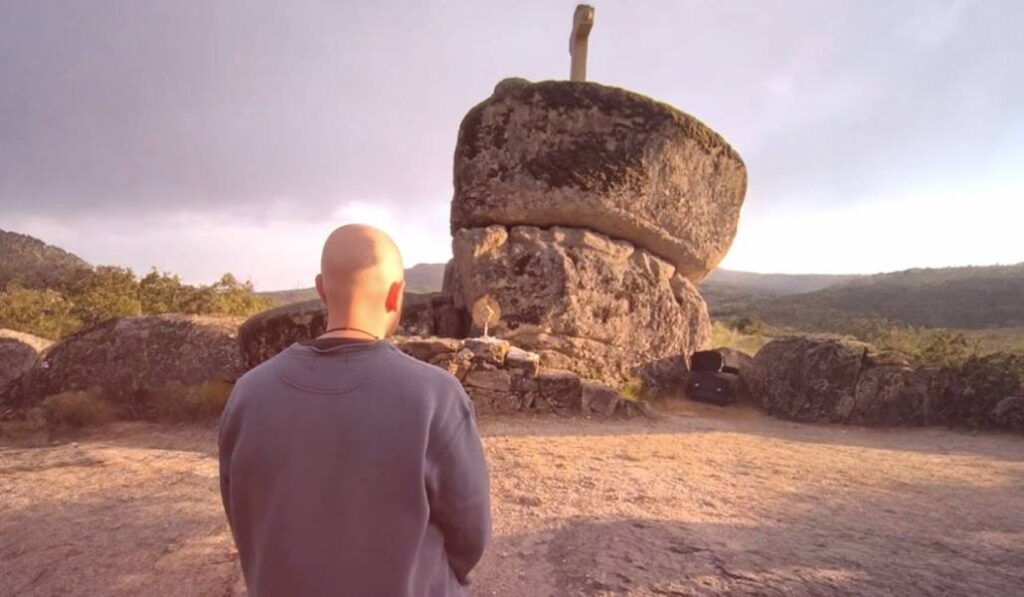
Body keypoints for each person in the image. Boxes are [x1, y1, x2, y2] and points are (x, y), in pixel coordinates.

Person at [219, 224, 491, 596]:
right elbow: (470, 536)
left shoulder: (248, 394)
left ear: (321, 289)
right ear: (396, 294)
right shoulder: (436, 396)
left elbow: (243, 518)